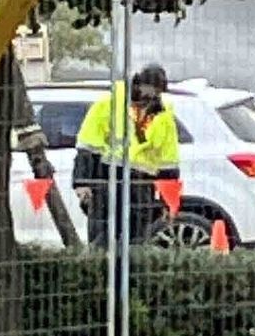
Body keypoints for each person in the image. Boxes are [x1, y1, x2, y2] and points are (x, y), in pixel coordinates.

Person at [72, 65, 182, 246]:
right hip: (107, 182)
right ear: (138, 84)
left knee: (137, 243)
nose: (152, 96)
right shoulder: (109, 105)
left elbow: (168, 161)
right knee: (102, 242)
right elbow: (88, 145)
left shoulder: (162, 114)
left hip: (141, 186)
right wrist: (82, 182)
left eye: (157, 92)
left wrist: (168, 201)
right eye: (150, 90)